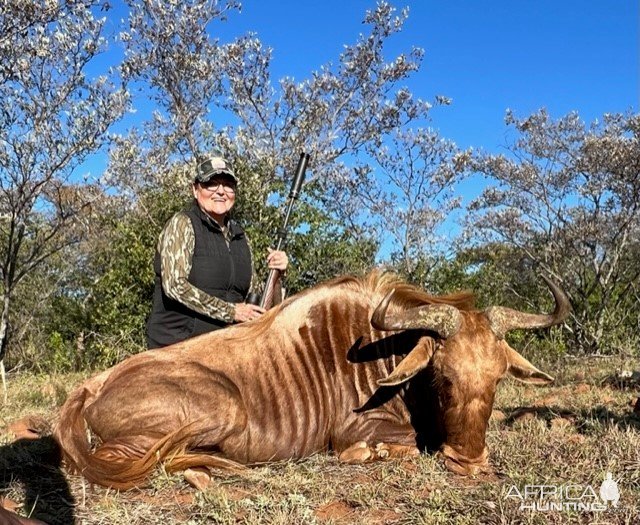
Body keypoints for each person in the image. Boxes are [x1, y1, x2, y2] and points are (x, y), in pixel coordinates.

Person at [146, 156, 288, 349]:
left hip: (227, 348)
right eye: (211, 184)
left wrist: (278, 275)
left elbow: (257, 303)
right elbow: (174, 285)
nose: (221, 191)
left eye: (228, 185)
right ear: (195, 190)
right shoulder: (182, 224)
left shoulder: (241, 237)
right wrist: (231, 312)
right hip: (178, 348)